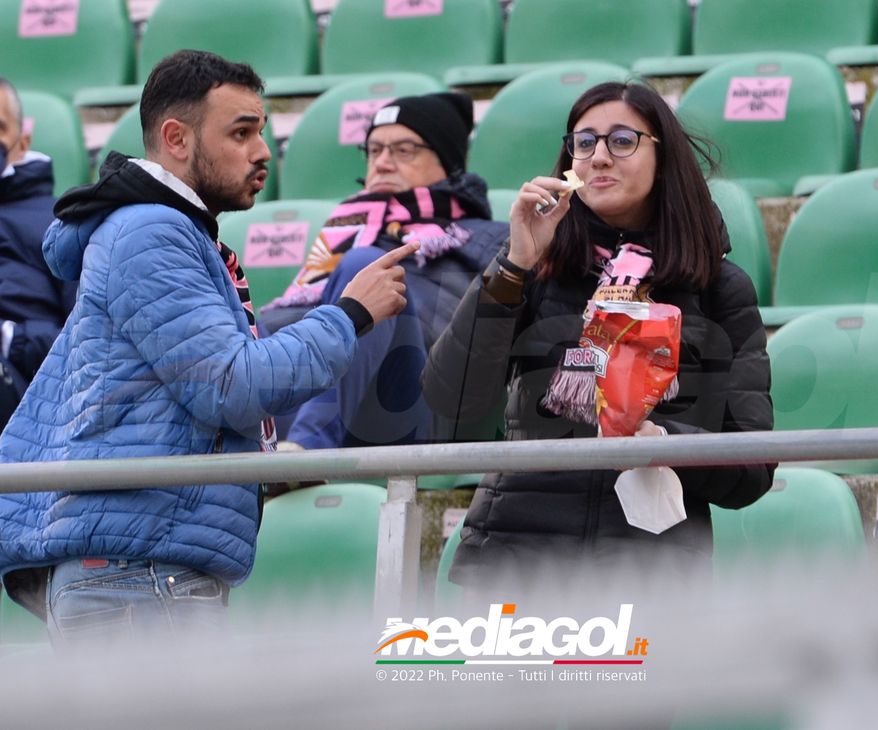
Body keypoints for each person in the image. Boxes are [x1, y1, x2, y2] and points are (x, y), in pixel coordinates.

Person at [0, 50, 416, 644]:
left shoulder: (157, 228)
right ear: (175, 137)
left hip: (139, 569)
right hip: (139, 574)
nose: (263, 151)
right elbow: (231, 386)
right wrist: (350, 314)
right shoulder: (151, 231)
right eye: (241, 132)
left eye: (263, 132)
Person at [421, 81, 776, 597]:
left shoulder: (719, 288)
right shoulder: (534, 270)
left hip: (651, 576)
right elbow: (451, 403)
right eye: (584, 143)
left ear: (665, 156)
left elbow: (752, 467)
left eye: (622, 141)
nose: (599, 157)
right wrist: (514, 263)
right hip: (519, 566)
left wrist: (666, 446)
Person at [264, 92, 508, 449]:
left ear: (447, 162)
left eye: (404, 150)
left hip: (408, 405)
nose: (383, 163)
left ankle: (307, 450)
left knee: (370, 268)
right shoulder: (341, 236)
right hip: (315, 397)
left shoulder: (488, 238)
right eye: (374, 150)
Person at [0, 77, 76, 432]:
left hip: (29, 401)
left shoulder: (61, 223)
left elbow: (89, 344)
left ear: (22, 141)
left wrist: (12, 339)